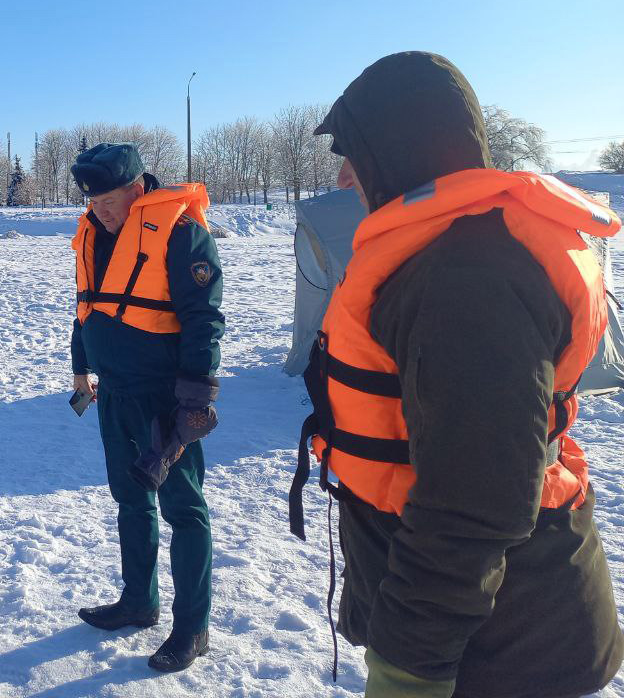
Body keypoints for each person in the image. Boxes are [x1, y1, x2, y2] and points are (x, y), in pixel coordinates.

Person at [289, 51, 624, 697]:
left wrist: (408, 669)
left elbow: (478, 499)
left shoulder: (467, 275)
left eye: (354, 153)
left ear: (398, 150)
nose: (344, 173)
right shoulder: (446, 252)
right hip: (479, 626)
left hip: (502, 646)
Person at [69, 142, 225, 672]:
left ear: (138, 189)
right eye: (93, 202)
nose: (100, 211)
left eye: (109, 200)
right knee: (130, 499)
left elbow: (205, 320)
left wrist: (196, 401)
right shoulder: (95, 233)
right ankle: (139, 601)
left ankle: (193, 628)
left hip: (165, 397)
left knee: (183, 509)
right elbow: (87, 304)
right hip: (114, 392)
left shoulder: (181, 233)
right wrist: (80, 368)